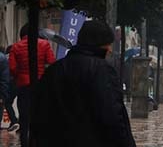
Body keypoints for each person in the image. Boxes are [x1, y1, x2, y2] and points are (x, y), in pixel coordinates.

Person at [31, 19, 136, 147]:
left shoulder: (54, 70)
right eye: (108, 44)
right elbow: (111, 115)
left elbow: (40, 114)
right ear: (98, 44)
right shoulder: (102, 70)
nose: (109, 50)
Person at [9, 24, 55, 146]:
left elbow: (12, 69)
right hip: (40, 86)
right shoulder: (45, 44)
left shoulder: (15, 47)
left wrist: (20, 75)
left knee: (24, 118)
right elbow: (52, 64)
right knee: (40, 116)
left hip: (23, 86)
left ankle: (25, 142)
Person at [4, 46, 19, 132]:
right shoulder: (19, 56)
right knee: (22, 104)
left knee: (7, 102)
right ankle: (17, 122)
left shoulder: (6, 58)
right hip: (22, 82)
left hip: (11, 82)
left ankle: (14, 121)